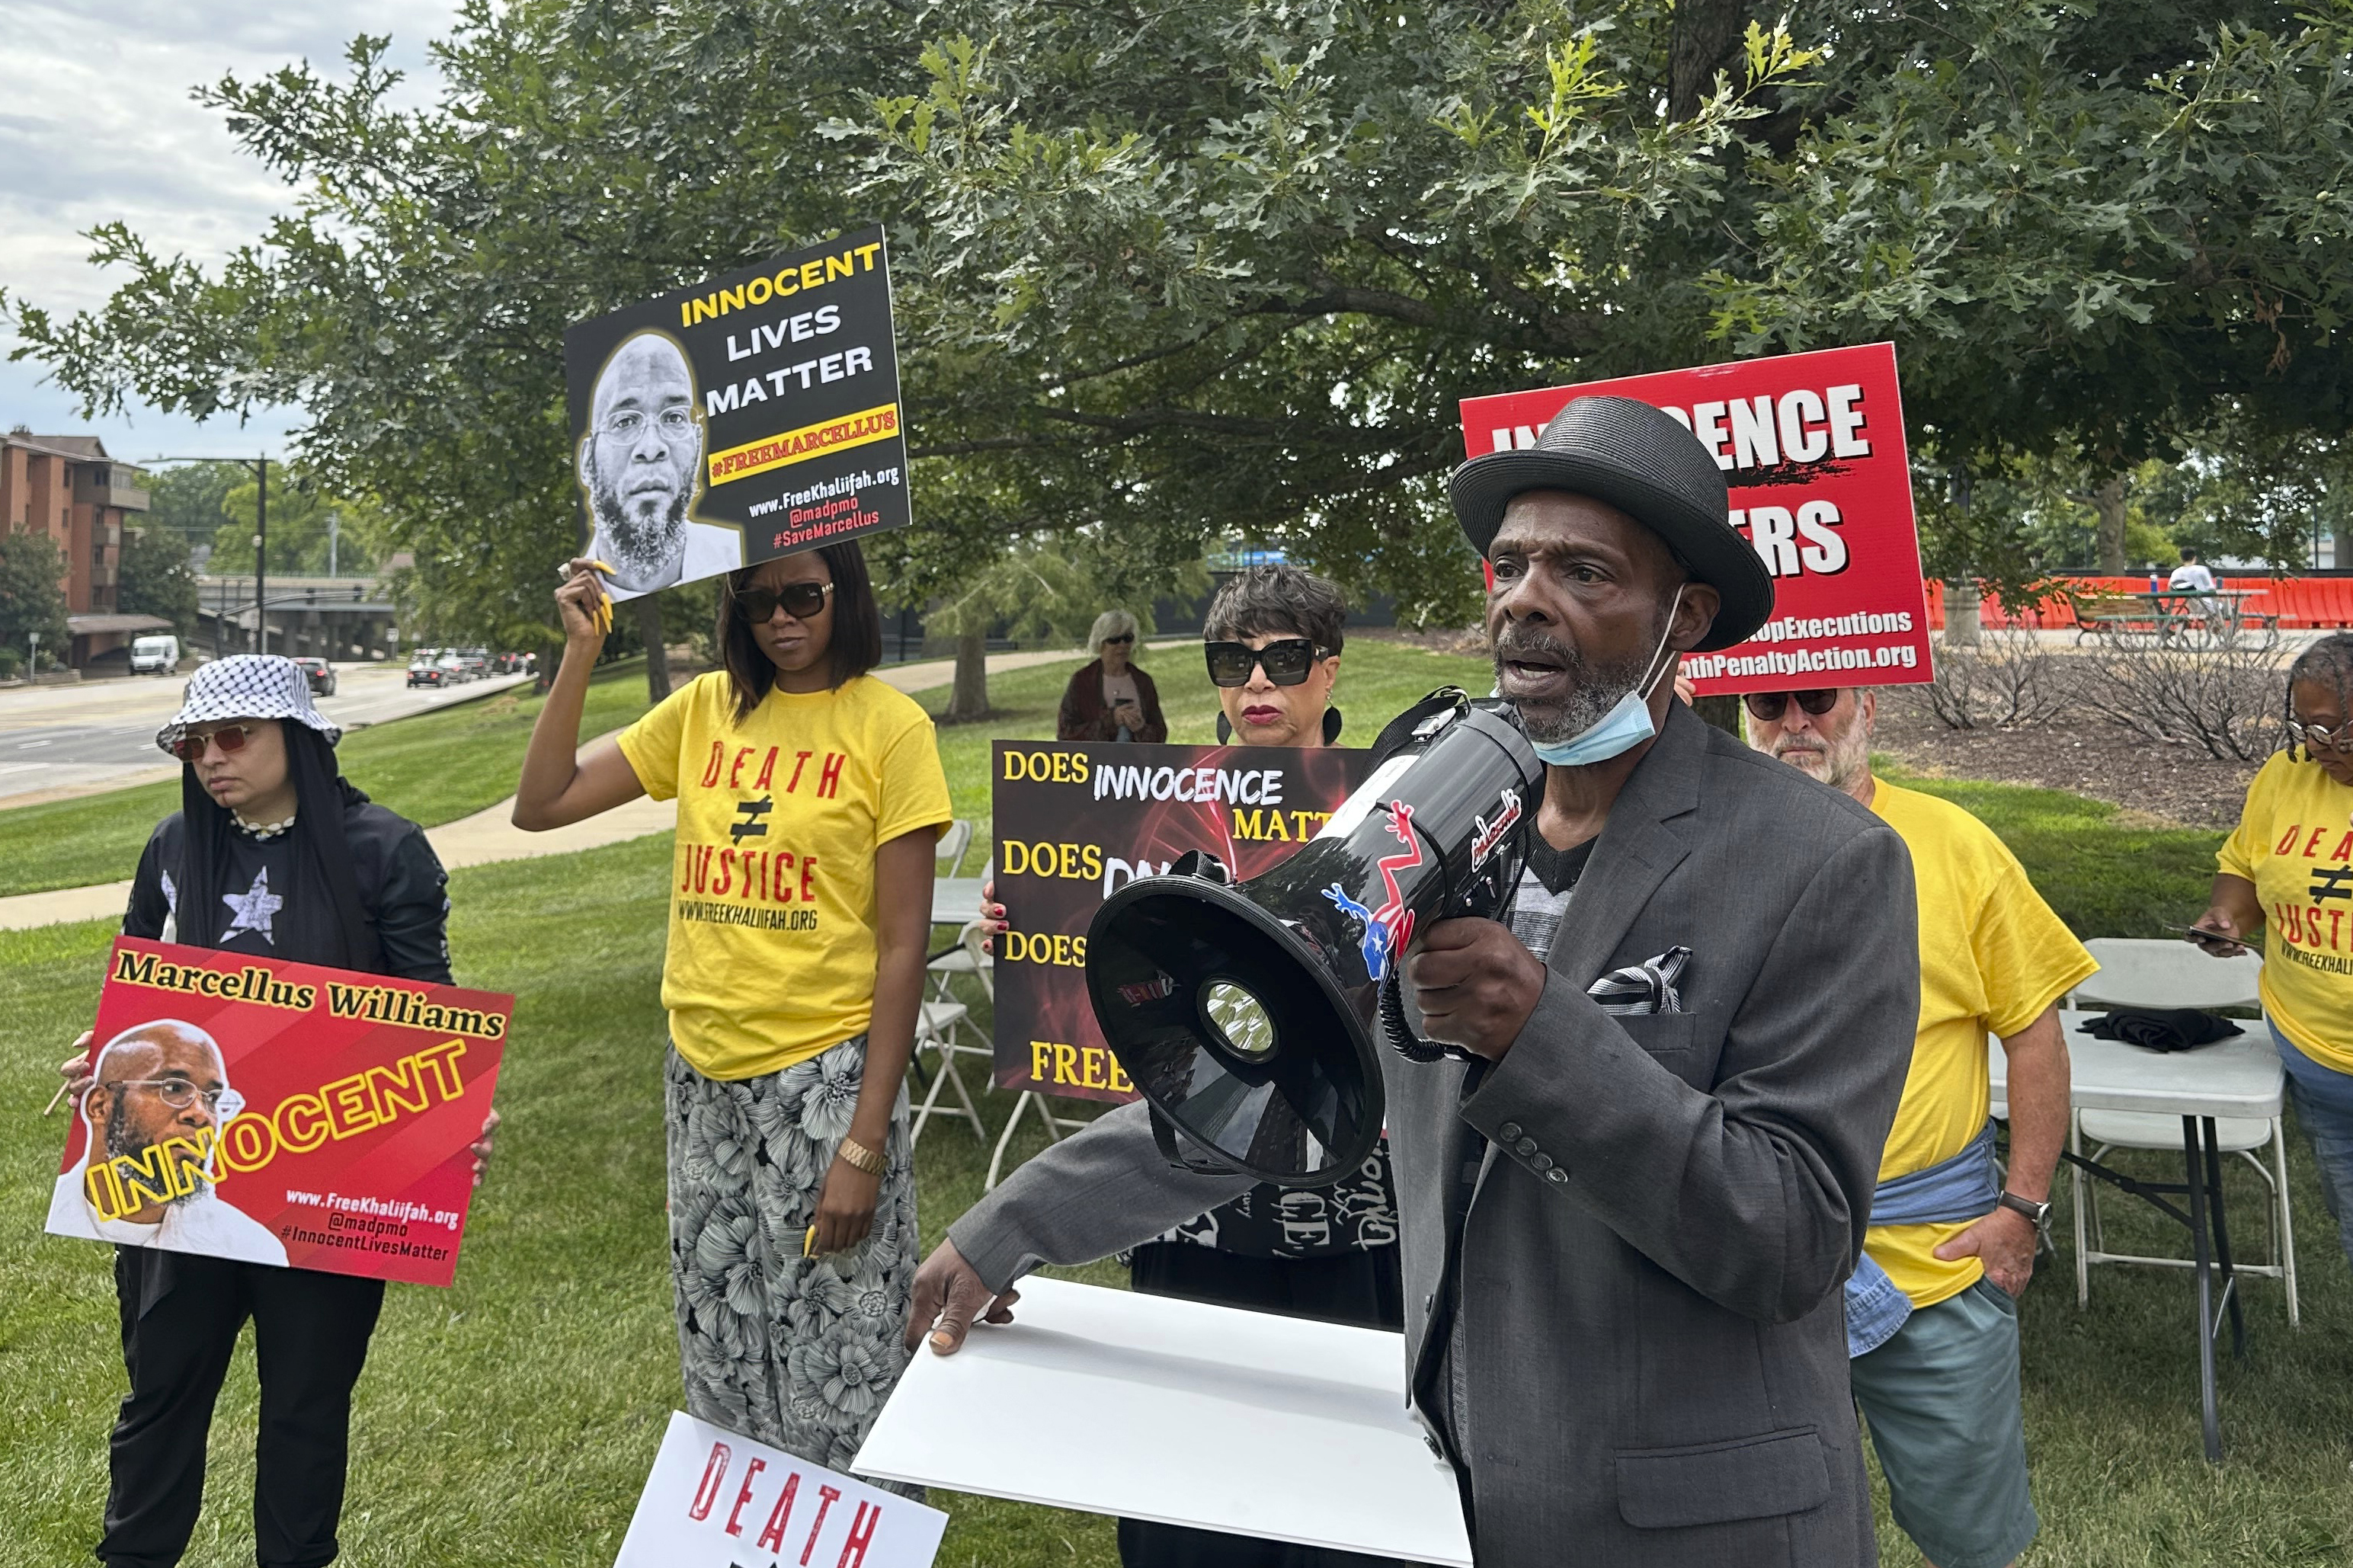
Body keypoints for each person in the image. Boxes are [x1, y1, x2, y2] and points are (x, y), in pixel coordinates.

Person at [911, 397, 1921, 1566]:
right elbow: (1263, 1077)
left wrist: (1536, 1033)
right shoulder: (1429, 823)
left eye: (1583, 571)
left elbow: (1790, 1238)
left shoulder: (1823, 862)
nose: (1523, 598)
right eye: (1508, 564)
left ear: (1682, 617)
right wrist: (1014, 1223)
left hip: (1689, 1521)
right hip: (1452, 1498)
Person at [514, 540, 951, 1483]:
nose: (783, 618)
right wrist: (581, 653)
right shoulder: (708, 709)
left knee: (843, 1357)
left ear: (847, 596)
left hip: (822, 1079)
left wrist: (863, 1144)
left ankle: (859, 1541)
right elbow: (540, 805)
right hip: (701, 1071)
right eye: (758, 603)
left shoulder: (890, 727)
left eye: (805, 595)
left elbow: (903, 949)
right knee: (725, 1347)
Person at [53, 653, 490, 1568]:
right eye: (195, 742)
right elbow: (141, 990)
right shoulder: (175, 848)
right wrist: (105, 1061)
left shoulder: (384, 849)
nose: (212, 757)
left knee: (305, 1407)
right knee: (160, 1397)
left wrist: (450, 1118)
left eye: (234, 736)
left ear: (294, 735)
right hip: (176, 1189)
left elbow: (431, 1009)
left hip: (326, 1186)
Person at [1744, 686, 2092, 1568]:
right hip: (1752, 1265)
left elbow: (2034, 1033)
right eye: (1768, 701)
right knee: (1756, 1530)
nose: (1795, 723)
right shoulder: (1706, 848)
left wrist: (2022, 1208)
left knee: (1970, 1536)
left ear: (1868, 712)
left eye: (1818, 701)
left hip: (1933, 1261)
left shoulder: (1955, 845)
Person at [2191, 632, 2353, 1278]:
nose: (2320, 747)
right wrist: (2228, 915)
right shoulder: (2286, 775)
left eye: (2339, 729)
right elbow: (2245, 865)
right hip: (2315, 1052)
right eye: (2307, 726)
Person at [49, 1020, 287, 1266]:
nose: (201, 1114)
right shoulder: (44, 1217)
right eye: (173, 1088)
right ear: (100, 1106)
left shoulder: (252, 1246)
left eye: (213, 1098)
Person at [578, 330, 744, 595]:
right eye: (624, 422)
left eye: (674, 417)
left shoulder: (738, 555)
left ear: (698, 446)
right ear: (587, 461)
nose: (652, 448)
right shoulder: (572, 596)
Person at [1058, 610, 1167, 743]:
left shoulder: (1143, 681)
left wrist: (1140, 728)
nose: (1123, 645)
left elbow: (1160, 735)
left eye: (1128, 638)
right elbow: (1066, 733)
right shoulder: (1083, 681)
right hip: (1095, 761)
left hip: (1136, 762)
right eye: (1114, 640)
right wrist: (1110, 721)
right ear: (1100, 644)